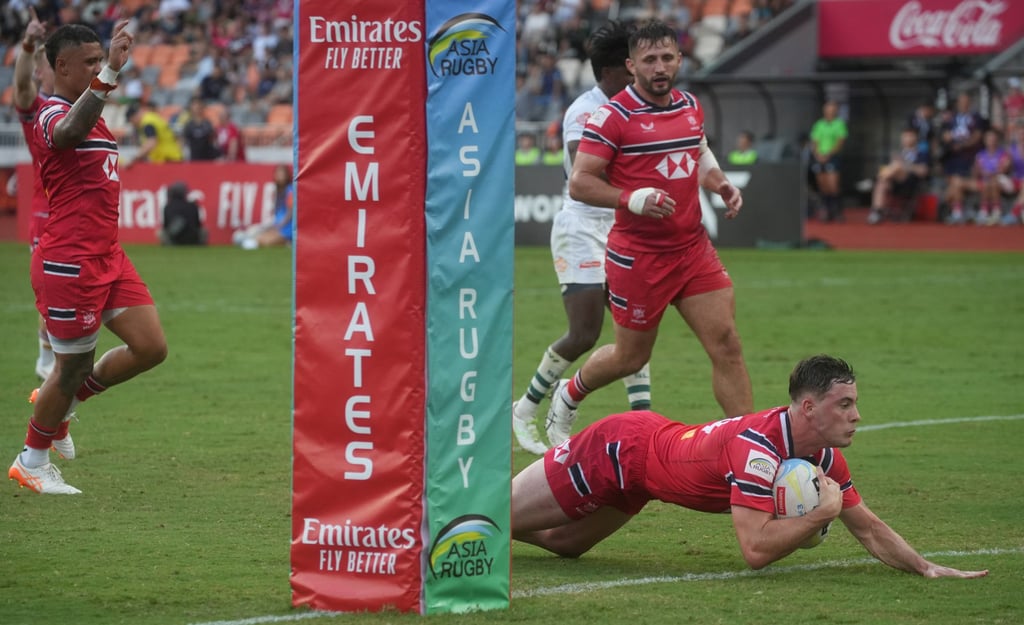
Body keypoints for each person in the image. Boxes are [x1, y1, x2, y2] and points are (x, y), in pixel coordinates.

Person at [512, 354, 990, 580]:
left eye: (854, 403)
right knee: (494, 511)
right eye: (843, 405)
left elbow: (868, 529)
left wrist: (925, 568)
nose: (856, 415)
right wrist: (820, 515)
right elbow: (755, 551)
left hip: (642, 481)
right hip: (616, 449)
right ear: (808, 408)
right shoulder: (757, 449)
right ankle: (442, 510)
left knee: (563, 545)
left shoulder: (822, 455)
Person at [547, 20, 751, 448]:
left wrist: (720, 183)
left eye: (666, 57)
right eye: (649, 60)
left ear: (679, 59)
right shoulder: (611, 117)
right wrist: (630, 199)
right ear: (631, 65)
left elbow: (697, 151)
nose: (659, 67)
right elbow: (580, 182)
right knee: (630, 357)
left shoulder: (689, 105)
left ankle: (752, 446)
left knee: (727, 343)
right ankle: (568, 393)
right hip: (639, 257)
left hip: (692, 250)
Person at [8, 21, 169, 495]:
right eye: (90, 62)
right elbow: (67, 132)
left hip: (108, 254)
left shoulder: (92, 112)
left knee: (151, 347)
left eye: (103, 60)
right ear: (61, 66)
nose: (99, 68)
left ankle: (61, 403)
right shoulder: (49, 112)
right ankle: (31, 460)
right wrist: (112, 74)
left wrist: (103, 79)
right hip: (70, 259)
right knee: (72, 364)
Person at [512, 21, 646, 456]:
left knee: (635, 329)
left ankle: (642, 424)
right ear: (610, 71)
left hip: (623, 227)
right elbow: (582, 173)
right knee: (585, 332)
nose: (636, 73)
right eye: (630, 67)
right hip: (583, 228)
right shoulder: (584, 112)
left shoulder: (638, 107)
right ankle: (526, 407)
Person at [12, 7, 56, 381]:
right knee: (52, 296)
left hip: (85, 215)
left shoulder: (81, 107)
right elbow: (21, 85)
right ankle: (47, 353)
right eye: (49, 66)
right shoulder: (37, 108)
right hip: (48, 217)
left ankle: (57, 351)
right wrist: (28, 45)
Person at [867, 127, 931, 224]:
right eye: (905, 136)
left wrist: (904, 165)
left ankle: (874, 180)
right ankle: (877, 212)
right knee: (882, 183)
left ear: (916, 138)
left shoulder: (921, 154)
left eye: (910, 136)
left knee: (896, 166)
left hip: (910, 183)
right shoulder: (899, 153)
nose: (907, 139)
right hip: (894, 183)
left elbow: (923, 171)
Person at [939, 92, 985, 224]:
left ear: (969, 103)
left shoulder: (975, 117)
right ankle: (957, 210)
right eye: (961, 101)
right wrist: (952, 142)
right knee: (955, 182)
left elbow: (977, 136)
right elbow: (945, 135)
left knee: (958, 183)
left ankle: (954, 209)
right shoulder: (951, 118)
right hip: (953, 159)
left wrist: (963, 144)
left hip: (969, 158)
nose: (963, 104)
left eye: (966, 101)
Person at [232, 163, 293, 249]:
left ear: (287, 175)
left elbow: (291, 211)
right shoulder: (278, 191)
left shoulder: (290, 190)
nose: (279, 176)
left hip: (286, 229)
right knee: (256, 231)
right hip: (276, 225)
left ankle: (287, 241)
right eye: (278, 174)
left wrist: (280, 225)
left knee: (265, 240)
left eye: (282, 174)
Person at [809, 100, 848, 222]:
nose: (830, 111)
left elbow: (840, 141)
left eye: (832, 109)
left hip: (832, 157)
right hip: (819, 157)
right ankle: (826, 209)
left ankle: (837, 210)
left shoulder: (839, 124)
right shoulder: (819, 124)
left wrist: (829, 154)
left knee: (833, 185)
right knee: (823, 185)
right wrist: (817, 155)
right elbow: (814, 141)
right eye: (828, 108)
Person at [123, 100, 184, 167]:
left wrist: (135, 158)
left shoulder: (147, 123)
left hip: (168, 159)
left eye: (131, 121)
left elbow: (151, 142)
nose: (133, 124)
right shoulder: (152, 117)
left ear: (134, 117)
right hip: (173, 156)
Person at [159, 181, 208, 245]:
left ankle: (170, 244)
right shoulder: (193, 206)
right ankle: (199, 244)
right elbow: (198, 225)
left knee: (159, 232)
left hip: (175, 239)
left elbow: (165, 226)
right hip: (192, 239)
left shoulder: (168, 207)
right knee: (204, 231)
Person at [180, 97, 220, 161]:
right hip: (193, 159)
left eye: (197, 105)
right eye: (193, 105)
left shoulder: (207, 124)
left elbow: (213, 141)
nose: (196, 108)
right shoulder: (188, 125)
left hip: (207, 159)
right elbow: (183, 141)